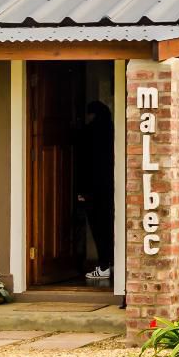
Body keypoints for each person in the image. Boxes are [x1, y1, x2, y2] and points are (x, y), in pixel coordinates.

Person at [74, 100, 114, 279]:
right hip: (110, 186)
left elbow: (83, 163)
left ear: (92, 115)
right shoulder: (112, 130)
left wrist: (81, 191)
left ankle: (104, 265)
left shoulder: (88, 133)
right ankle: (112, 264)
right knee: (110, 226)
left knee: (98, 228)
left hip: (92, 188)